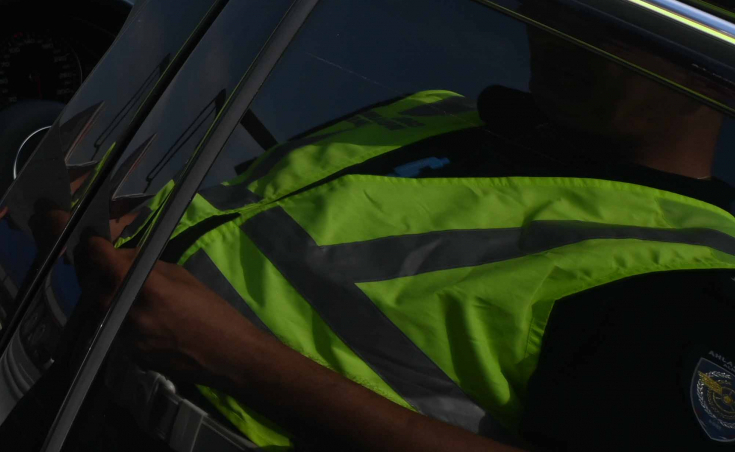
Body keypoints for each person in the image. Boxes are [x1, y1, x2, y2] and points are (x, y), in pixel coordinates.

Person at [77, 33, 735, 451]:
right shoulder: (430, 113)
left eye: (620, 18)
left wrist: (236, 360)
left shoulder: (688, 275)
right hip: (73, 382)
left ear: (712, 68)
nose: (552, 17)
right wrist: (106, 227)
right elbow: (238, 236)